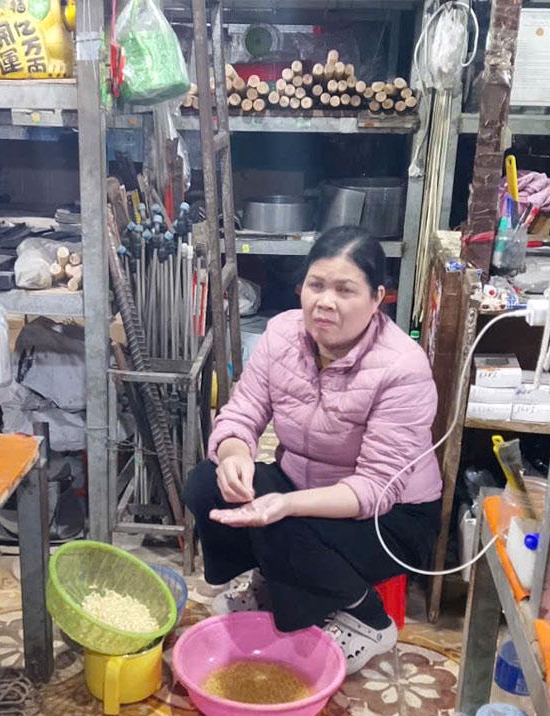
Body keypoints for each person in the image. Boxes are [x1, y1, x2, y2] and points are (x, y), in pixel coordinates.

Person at [184, 226, 442, 674]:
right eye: (316, 285)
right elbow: (242, 412)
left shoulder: (402, 367)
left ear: (377, 298)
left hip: (393, 516)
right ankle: (273, 583)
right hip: (307, 486)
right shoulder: (282, 335)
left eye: (345, 290)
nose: (325, 302)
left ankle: (368, 618)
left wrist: (286, 504)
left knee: (280, 523)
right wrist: (233, 455)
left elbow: (374, 488)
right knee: (207, 485)